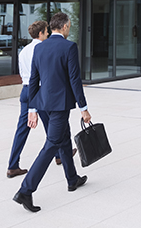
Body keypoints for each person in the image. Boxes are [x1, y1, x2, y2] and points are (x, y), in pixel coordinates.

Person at [13, 12, 91, 212]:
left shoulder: (39, 48)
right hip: (59, 105)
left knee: (63, 139)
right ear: (64, 27)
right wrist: (84, 108)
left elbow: (33, 80)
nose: (70, 29)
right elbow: (74, 80)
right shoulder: (69, 47)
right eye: (69, 26)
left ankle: (72, 179)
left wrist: (32, 107)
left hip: (43, 102)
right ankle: (25, 190)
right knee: (51, 145)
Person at [6, 20, 50, 178]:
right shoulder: (42, 49)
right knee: (53, 126)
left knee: (22, 130)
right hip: (39, 91)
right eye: (46, 31)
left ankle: (12, 166)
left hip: (25, 90)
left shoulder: (23, 51)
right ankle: (60, 155)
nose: (48, 34)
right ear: (40, 33)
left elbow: (22, 72)